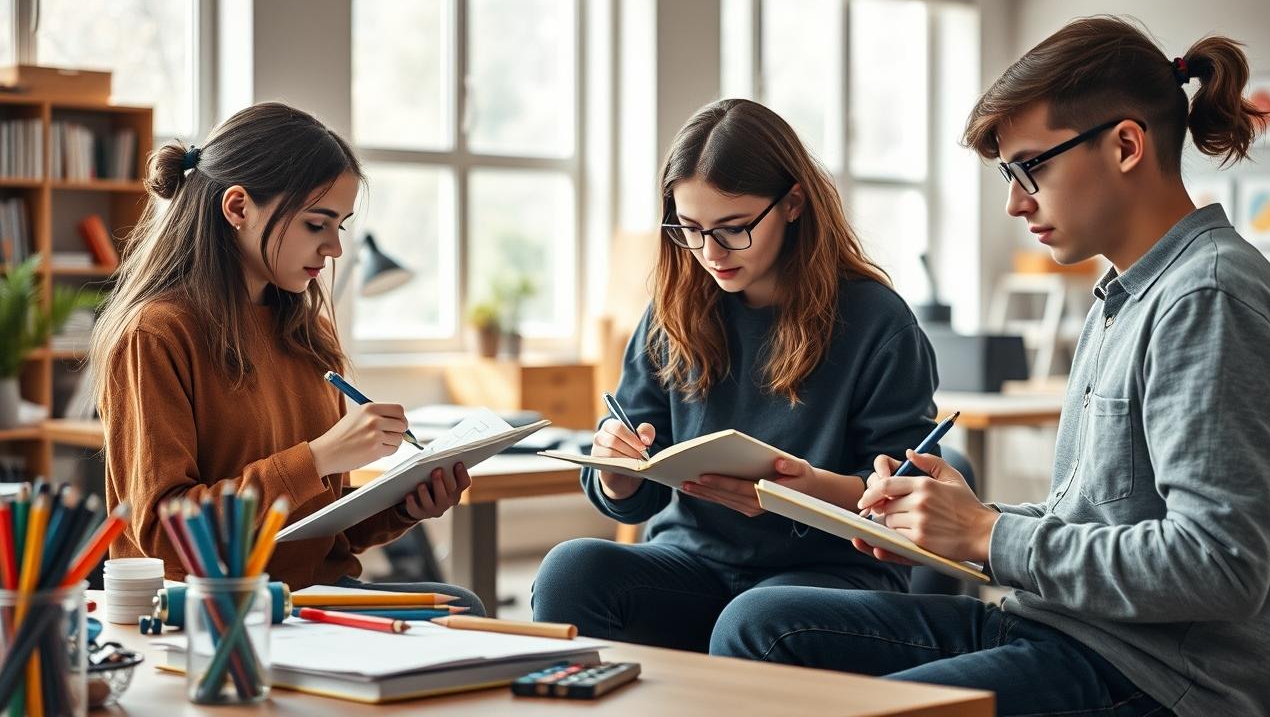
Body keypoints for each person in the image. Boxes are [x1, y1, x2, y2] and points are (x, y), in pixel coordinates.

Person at [709, 16, 1270, 717]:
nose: (1014, 200)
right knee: (759, 625)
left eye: (1031, 167)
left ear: (1127, 145)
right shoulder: (1123, 297)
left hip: (1153, 679)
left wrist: (987, 535)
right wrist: (960, 519)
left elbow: (1221, 568)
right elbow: (1097, 519)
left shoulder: (1208, 301)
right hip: (1062, 629)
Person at [531, 98, 941, 651]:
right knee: (571, 568)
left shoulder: (876, 321)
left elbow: (904, 498)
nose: (709, 252)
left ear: (793, 203)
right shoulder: (672, 311)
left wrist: (804, 490)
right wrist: (616, 472)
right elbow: (634, 496)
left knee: (756, 615)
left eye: (733, 228)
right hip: (693, 562)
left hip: (830, 572)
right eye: (690, 228)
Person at [93, 102, 484, 613]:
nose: (334, 250)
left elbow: (317, 533)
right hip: (218, 607)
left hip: (310, 597)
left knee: (460, 607)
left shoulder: (307, 334)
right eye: (316, 224)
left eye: (339, 227)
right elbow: (166, 533)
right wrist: (318, 457)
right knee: (461, 612)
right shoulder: (157, 333)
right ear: (237, 208)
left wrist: (404, 506)